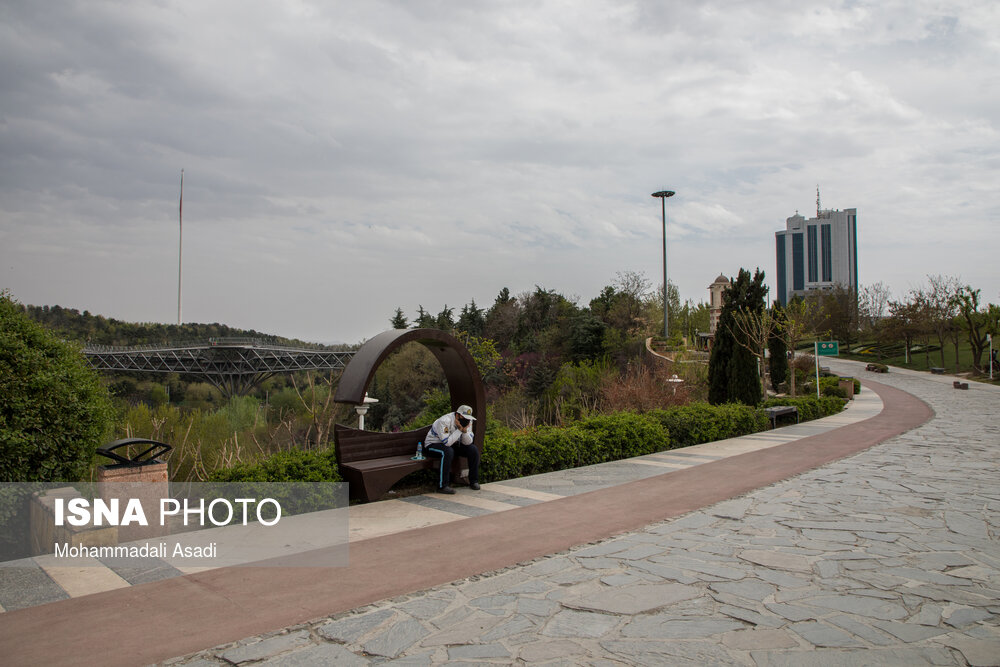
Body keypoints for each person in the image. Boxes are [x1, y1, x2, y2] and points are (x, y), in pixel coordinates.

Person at [423, 404, 480, 494]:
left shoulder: (469, 422)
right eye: (464, 417)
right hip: (433, 445)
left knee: (473, 450)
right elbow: (447, 442)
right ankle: (442, 486)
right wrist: (459, 430)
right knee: (448, 451)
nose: (466, 420)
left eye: (468, 418)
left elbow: (468, 442)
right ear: (457, 415)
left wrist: (464, 431)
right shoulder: (444, 421)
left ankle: (474, 481)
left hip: (452, 444)